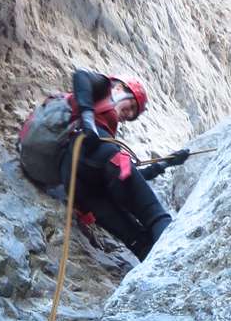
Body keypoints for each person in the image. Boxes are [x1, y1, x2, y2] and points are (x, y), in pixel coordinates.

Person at [59, 69, 189, 261]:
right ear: (120, 88)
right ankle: (183, 264)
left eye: (132, 114)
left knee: (139, 242)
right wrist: (88, 121)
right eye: (131, 106)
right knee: (156, 216)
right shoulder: (104, 89)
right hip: (91, 161)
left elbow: (125, 179)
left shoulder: (94, 130)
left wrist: (166, 163)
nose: (128, 114)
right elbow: (80, 76)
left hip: (80, 187)